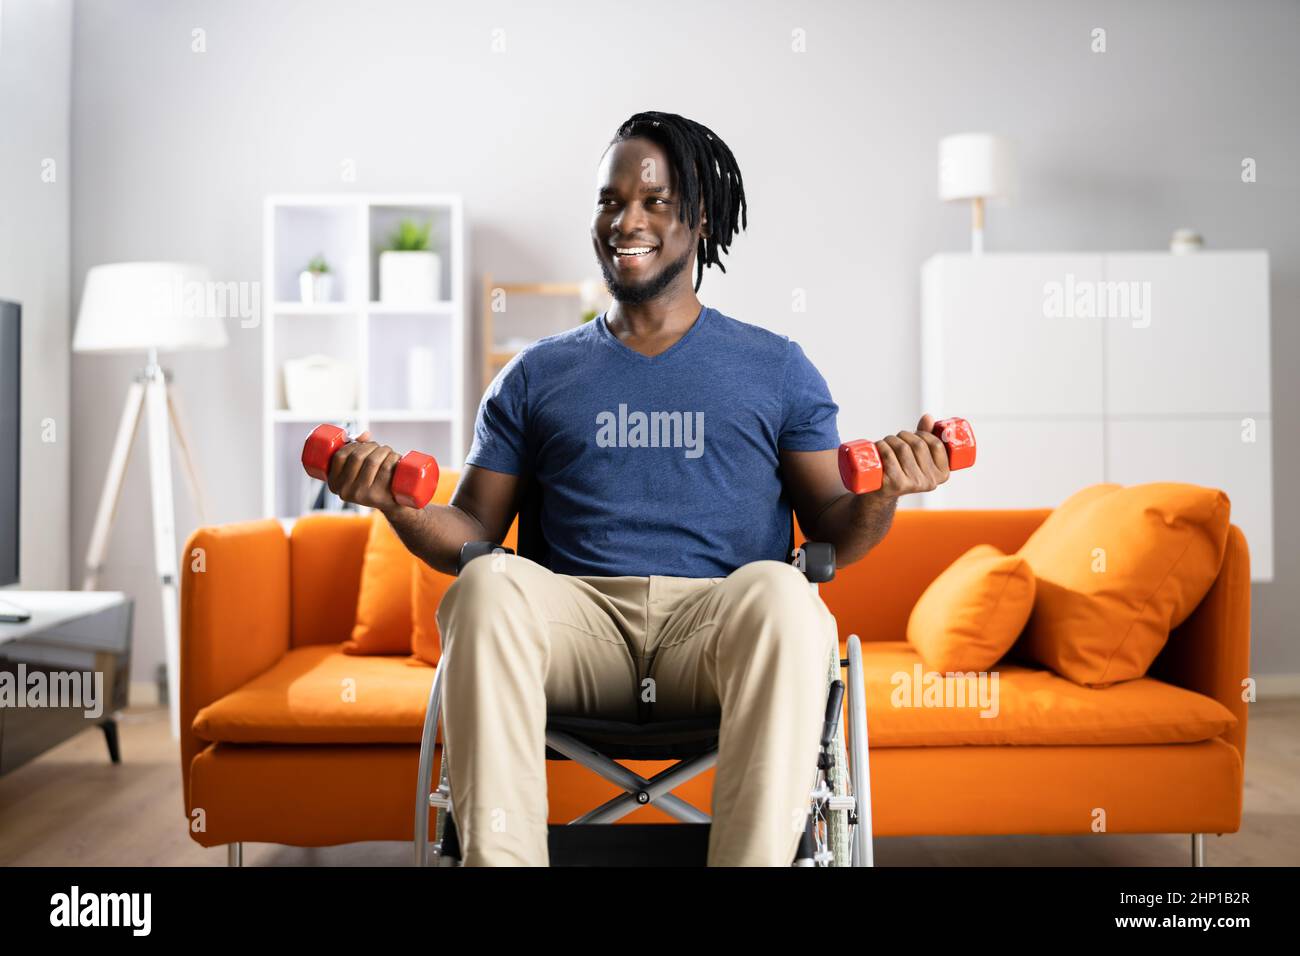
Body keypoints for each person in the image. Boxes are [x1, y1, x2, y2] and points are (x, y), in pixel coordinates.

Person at [328, 111, 952, 866]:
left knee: (792, 594)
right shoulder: (534, 376)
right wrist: (399, 504)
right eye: (610, 200)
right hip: (577, 627)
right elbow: (471, 534)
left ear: (700, 219)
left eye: (655, 201)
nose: (627, 219)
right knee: (486, 588)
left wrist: (884, 494)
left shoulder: (776, 366)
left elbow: (832, 533)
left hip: (716, 627)